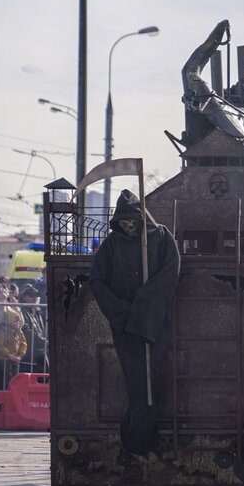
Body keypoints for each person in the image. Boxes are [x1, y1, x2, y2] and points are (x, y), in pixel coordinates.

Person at [89, 190, 180, 455]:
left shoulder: (162, 237)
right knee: (137, 379)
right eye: (124, 223)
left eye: (133, 222)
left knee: (154, 375)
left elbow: (170, 274)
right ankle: (137, 436)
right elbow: (97, 281)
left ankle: (141, 436)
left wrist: (144, 304)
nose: (129, 227)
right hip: (125, 325)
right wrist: (121, 312)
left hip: (154, 321)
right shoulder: (111, 245)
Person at [19, 284, 47, 372]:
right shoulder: (22, 311)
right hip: (28, 354)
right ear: (23, 297)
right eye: (31, 296)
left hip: (39, 352)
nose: (35, 298)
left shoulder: (38, 311)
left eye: (37, 296)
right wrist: (44, 341)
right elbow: (27, 332)